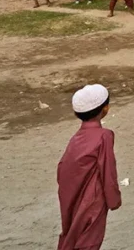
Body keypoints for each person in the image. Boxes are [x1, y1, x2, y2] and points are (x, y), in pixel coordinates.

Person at [56, 83, 122, 250]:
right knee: (90, 239)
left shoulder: (76, 138)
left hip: (72, 194)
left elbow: (63, 168)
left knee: (72, 232)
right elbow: (108, 170)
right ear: (105, 109)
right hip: (94, 197)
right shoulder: (104, 136)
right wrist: (113, 199)